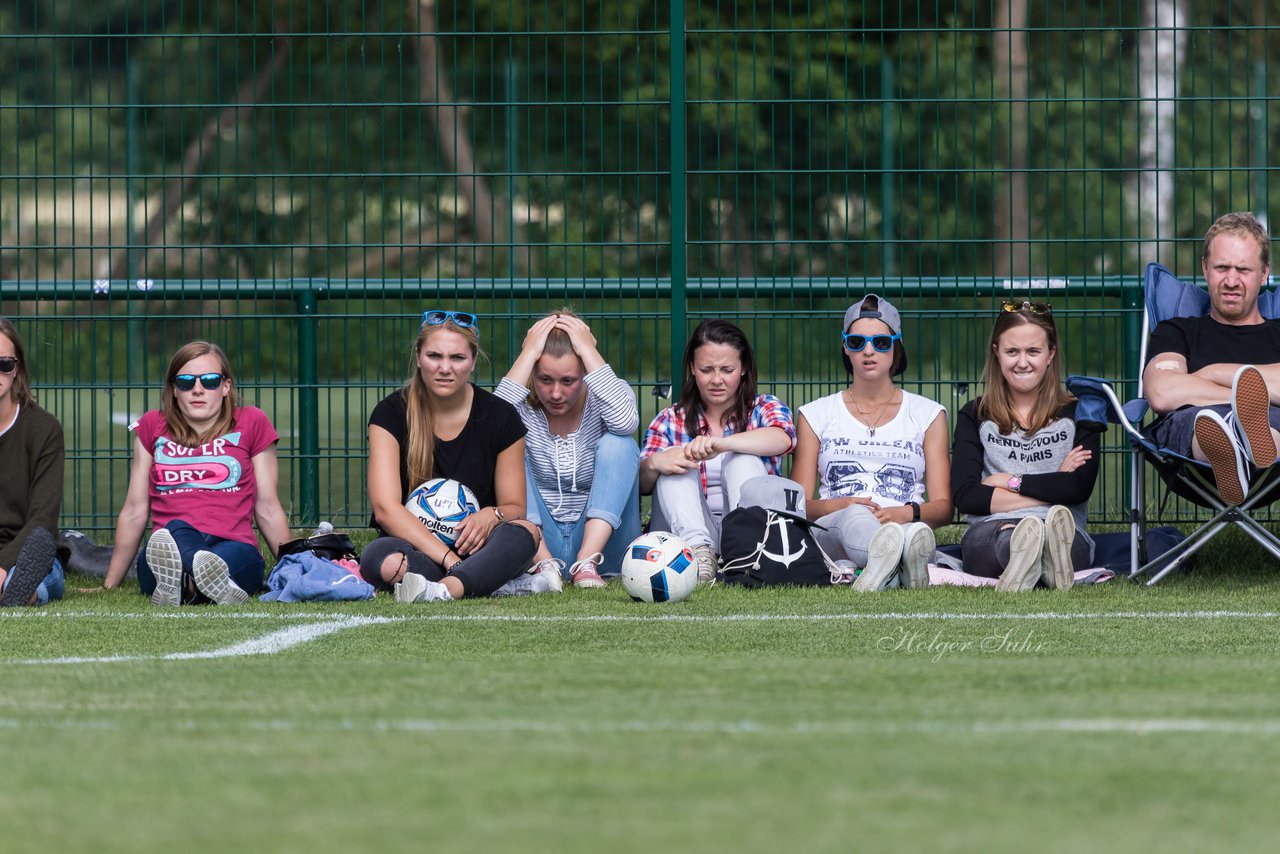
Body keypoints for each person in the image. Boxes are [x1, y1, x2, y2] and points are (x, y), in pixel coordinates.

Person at [361, 310, 551, 602]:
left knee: (526, 532)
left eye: (457, 358)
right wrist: (450, 559)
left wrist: (492, 515)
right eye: (434, 356)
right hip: (417, 547)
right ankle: (485, 581)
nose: (445, 368)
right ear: (418, 356)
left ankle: (445, 589)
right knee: (382, 560)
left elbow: (515, 507)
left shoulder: (501, 416)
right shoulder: (390, 414)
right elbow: (386, 509)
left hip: (481, 547)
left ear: (473, 361)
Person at [102, 341, 292, 605]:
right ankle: (201, 585)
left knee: (232, 562)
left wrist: (293, 569)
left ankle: (185, 585)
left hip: (234, 545)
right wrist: (111, 583)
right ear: (174, 390)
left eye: (211, 381)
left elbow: (269, 508)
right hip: (169, 548)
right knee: (176, 530)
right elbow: (134, 510)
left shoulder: (252, 421)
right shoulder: (151, 426)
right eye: (186, 382)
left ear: (226, 387)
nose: (198, 390)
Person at [792, 295, 951, 591]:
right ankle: (896, 562)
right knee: (856, 516)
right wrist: (840, 505)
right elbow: (798, 506)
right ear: (845, 348)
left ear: (896, 347)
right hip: (837, 526)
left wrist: (906, 512)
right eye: (856, 342)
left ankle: (889, 565)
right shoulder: (815, 414)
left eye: (880, 342)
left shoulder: (928, 414)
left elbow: (943, 508)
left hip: (903, 522)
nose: (868, 351)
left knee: (913, 532)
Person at [951, 301, 1103, 591]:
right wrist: (1054, 485)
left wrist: (1007, 482)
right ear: (997, 353)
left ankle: (1043, 557)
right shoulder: (974, 414)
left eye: (1033, 351)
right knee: (1005, 537)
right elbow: (967, 496)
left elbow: (1078, 488)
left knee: (1063, 539)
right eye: (1012, 351)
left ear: (1050, 354)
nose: (1022, 362)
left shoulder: (1081, 412)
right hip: (992, 529)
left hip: (1062, 529)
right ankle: (1032, 557)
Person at [640, 319, 796, 583]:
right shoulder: (670, 418)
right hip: (684, 537)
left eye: (727, 369)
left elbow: (783, 439)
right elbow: (641, 485)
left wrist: (723, 444)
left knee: (742, 458)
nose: (716, 380)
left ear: (744, 368)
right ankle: (699, 558)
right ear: (692, 368)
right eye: (706, 369)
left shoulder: (764, 407)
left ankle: (745, 552)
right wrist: (656, 463)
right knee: (676, 461)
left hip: (749, 535)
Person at [495, 310, 641, 587]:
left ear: (586, 373)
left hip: (604, 547)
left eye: (568, 381)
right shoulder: (519, 403)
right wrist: (528, 353)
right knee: (505, 445)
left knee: (619, 443)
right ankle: (543, 563)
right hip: (535, 543)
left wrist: (587, 348)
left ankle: (586, 562)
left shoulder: (608, 394)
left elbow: (625, 422)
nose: (556, 394)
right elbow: (488, 429)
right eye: (545, 380)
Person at [1143, 211, 1280, 506]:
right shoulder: (1178, 330)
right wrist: (1247, 398)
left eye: (1243, 269)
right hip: (1196, 448)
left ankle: (1243, 451)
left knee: (1269, 424)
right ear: (1205, 269)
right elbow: (1162, 392)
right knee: (1205, 422)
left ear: (1264, 272)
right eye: (1221, 268)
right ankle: (1235, 443)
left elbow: (1179, 386)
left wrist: (1211, 372)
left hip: (1273, 439)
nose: (1231, 280)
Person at [0, 318, 68, 607]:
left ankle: (22, 591)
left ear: (17, 369)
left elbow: (42, 518)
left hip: (28, 549)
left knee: (38, 568)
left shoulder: (44, 429)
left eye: (4, 364)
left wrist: (2, 568)